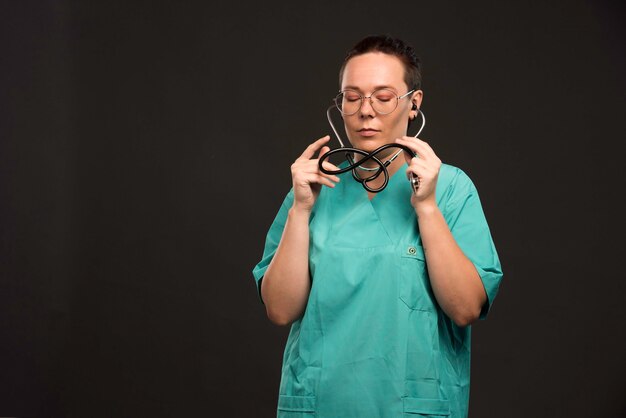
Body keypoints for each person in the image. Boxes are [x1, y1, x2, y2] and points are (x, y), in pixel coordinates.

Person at [252, 34, 503, 418]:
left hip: (410, 408)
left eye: (384, 97)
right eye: (352, 97)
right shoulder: (314, 191)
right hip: (320, 405)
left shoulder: (451, 190)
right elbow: (280, 310)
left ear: (413, 104)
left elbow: (466, 308)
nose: (366, 111)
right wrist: (300, 210)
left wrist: (427, 208)